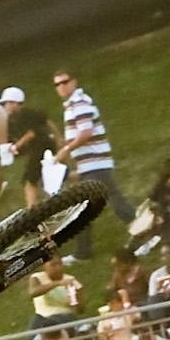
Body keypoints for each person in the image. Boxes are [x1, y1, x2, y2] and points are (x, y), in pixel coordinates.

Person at [52, 69, 136, 249]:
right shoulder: (72, 105)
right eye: (57, 84)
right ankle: (83, 252)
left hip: (96, 163)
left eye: (64, 82)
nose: (61, 86)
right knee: (85, 208)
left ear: (74, 82)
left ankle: (145, 233)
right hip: (88, 164)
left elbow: (86, 132)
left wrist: (66, 149)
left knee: (112, 201)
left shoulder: (80, 103)